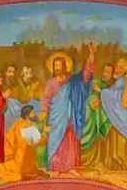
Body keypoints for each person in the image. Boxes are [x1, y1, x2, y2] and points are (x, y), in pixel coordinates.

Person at [40, 43, 96, 173]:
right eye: (55, 66)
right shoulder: (51, 83)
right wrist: (43, 110)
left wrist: (91, 55)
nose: (57, 68)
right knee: (55, 140)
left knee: (69, 139)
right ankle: (55, 167)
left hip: (70, 117)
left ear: (65, 66)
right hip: (56, 118)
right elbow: (46, 98)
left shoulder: (73, 80)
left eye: (59, 65)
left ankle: (70, 167)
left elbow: (86, 75)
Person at [0, 104, 44, 182]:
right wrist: (46, 133)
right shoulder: (26, 126)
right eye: (33, 113)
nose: (35, 114)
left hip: (27, 155)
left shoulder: (22, 124)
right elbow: (37, 141)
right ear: (27, 115)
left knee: (33, 173)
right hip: (23, 155)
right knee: (20, 175)